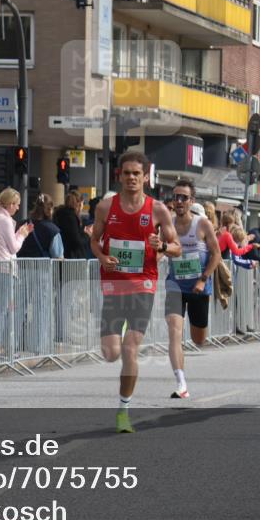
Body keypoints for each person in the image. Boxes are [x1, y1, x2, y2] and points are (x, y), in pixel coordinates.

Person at [90, 152, 180, 433]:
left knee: (130, 349)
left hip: (144, 285)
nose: (131, 178)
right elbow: (95, 240)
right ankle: (123, 401)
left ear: (145, 177)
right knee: (110, 353)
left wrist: (161, 246)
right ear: (120, 176)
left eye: (136, 173)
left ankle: (123, 410)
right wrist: (102, 258)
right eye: (126, 173)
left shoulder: (158, 210)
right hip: (114, 285)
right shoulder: (106, 207)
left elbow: (176, 246)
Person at [163, 179, 220, 399]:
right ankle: (181, 384)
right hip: (175, 285)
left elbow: (216, 254)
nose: (178, 201)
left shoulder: (202, 224)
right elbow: (160, 250)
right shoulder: (167, 225)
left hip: (198, 288)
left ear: (191, 201)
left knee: (198, 339)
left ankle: (189, 352)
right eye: (175, 197)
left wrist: (203, 279)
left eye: (183, 197)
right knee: (174, 333)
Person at [0, 188, 33, 358]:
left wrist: (18, 232)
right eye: (16, 204)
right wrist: (23, 235)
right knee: (2, 309)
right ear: (10, 204)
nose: (18, 208)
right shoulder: (5, 220)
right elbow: (13, 247)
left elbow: (3, 242)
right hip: (3, 268)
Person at [18, 194, 64, 259]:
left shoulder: (23, 225)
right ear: (50, 209)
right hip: (43, 268)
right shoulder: (53, 230)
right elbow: (58, 255)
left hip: (21, 266)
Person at [53, 191, 89, 259]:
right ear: (79, 204)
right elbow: (76, 241)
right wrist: (87, 234)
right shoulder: (71, 217)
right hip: (72, 258)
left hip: (62, 255)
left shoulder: (59, 214)